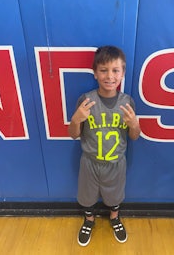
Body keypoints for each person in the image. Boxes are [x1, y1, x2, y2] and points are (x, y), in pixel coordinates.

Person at [68, 45, 141, 246]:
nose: (110, 76)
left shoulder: (127, 102)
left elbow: (134, 136)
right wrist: (75, 120)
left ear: (123, 73)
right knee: (87, 196)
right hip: (90, 162)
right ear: (95, 73)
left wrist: (134, 124)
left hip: (116, 163)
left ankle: (114, 218)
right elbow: (74, 135)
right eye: (103, 70)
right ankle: (89, 220)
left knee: (115, 195)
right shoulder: (86, 100)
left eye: (115, 70)